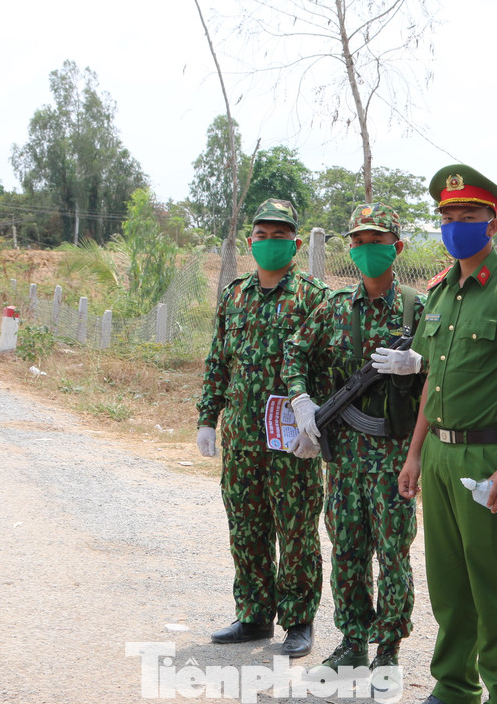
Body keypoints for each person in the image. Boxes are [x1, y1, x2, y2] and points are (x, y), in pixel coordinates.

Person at [397, 165, 497, 704]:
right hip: (438, 451)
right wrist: (415, 454)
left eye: (469, 216)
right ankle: (454, 687)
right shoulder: (438, 292)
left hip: (488, 455)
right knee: (447, 582)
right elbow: (432, 382)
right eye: (449, 216)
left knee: (493, 584)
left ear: (493, 224)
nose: (457, 224)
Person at [281, 202, 427, 673]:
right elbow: (294, 353)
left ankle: (388, 650)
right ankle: (352, 642)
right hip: (343, 456)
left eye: (377, 243)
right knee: (346, 549)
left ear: (397, 248)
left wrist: (420, 365)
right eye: (359, 243)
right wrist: (302, 401)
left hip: (394, 455)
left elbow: (443, 379)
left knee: (393, 553)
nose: (367, 251)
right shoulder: (335, 308)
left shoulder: (417, 309)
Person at [197, 198, 331, 659]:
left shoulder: (314, 295)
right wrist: (206, 420)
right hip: (241, 436)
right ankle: (254, 614)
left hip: (292, 439)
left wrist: (319, 426)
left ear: (295, 242)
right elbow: (218, 362)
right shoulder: (235, 294)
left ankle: (298, 620)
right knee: (246, 525)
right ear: (249, 240)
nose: (270, 242)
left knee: (296, 529)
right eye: (262, 234)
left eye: (280, 235)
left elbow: (329, 367)